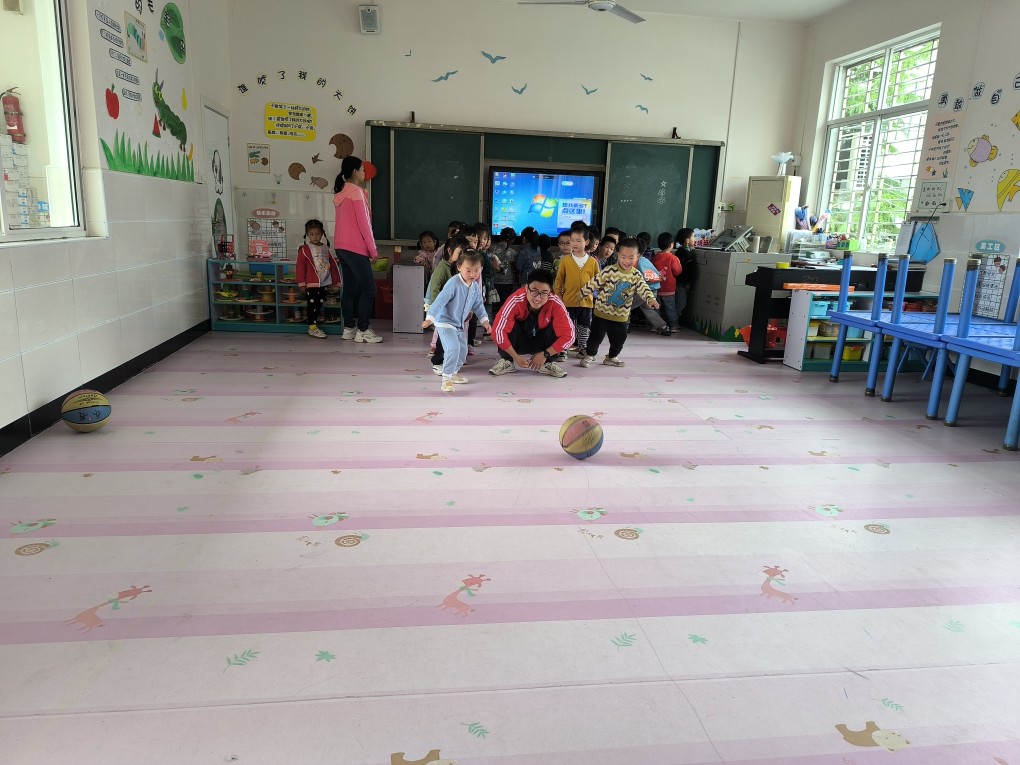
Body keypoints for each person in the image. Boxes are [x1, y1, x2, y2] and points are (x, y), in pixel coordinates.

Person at [578, 237, 658, 368]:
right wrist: (582, 293)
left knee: (620, 338)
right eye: (623, 257)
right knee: (595, 337)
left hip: (621, 316)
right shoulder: (609, 270)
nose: (627, 261)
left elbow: (644, 288)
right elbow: (594, 282)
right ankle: (590, 355)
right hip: (601, 313)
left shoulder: (636, 275)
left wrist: (651, 299)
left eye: (631, 257)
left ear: (638, 256)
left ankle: (611, 357)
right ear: (618, 255)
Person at [423, 250, 491, 393]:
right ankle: (446, 379)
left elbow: (478, 305)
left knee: (463, 351)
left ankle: (453, 373)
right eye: (468, 270)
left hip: (459, 324)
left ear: (481, 269)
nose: (472, 274)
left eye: (476, 270)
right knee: (453, 348)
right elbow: (440, 300)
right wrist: (430, 317)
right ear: (459, 267)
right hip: (445, 322)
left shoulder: (474, 286)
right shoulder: (453, 283)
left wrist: (485, 321)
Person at [489, 268, 574, 378]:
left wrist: (545, 354)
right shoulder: (515, 300)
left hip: (542, 345)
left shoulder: (555, 303)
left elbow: (570, 336)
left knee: (559, 327)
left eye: (544, 293)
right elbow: (497, 332)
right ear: (526, 288)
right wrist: (516, 357)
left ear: (550, 292)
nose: (538, 298)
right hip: (518, 343)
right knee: (504, 326)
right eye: (534, 291)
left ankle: (547, 362)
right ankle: (507, 360)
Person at [333, 156, 382, 343]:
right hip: (355, 248)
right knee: (369, 289)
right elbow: (365, 225)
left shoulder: (341, 193)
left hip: (341, 247)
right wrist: (373, 250)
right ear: (354, 172)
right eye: (362, 170)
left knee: (350, 289)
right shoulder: (357, 193)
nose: (364, 173)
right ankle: (363, 330)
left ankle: (349, 328)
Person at [425, 236, 469, 373]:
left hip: (453, 311)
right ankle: (438, 362)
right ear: (450, 251)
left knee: (453, 337)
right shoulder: (442, 268)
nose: (463, 256)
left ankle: (448, 362)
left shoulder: (456, 267)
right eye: (460, 252)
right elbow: (435, 290)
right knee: (443, 338)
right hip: (443, 311)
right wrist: (437, 309)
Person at [554, 225, 599, 355]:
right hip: (568, 301)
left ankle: (583, 348)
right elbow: (559, 281)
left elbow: (598, 281)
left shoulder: (592, 262)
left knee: (584, 326)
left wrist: (597, 295)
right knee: (568, 326)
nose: (574, 243)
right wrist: (559, 297)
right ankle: (563, 349)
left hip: (586, 302)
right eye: (572, 240)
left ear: (587, 242)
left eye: (578, 240)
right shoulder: (565, 260)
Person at [295, 219, 341, 339]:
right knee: (312, 305)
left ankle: (314, 325)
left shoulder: (325, 248)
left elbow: (332, 265)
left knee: (319, 304)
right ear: (307, 234)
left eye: (318, 234)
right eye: (311, 234)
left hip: (324, 282)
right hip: (311, 283)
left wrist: (336, 282)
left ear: (322, 234)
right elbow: (300, 267)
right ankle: (312, 328)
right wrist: (301, 283)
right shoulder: (304, 249)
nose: (315, 237)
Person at [651, 231, 684, 332]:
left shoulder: (655, 257)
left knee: (656, 308)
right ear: (671, 245)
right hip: (669, 289)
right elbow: (678, 271)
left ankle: (656, 325)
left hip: (656, 288)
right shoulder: (673, 258)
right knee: (671, 309)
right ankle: (673, 326)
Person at [634, 246, 670, 336]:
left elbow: (645, 278)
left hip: (646, 291)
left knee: (625, 305)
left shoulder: (639, 262)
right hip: (653, 289)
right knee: (648, 309)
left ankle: (623, 325)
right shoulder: (645, 260)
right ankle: (662, 326)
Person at [674, 227, 699, 323]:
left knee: (679, 302)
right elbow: (687, 271)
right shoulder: (687, 254)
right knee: (680, 303)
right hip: (682, 283)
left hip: (679, 282)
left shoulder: (680, 251)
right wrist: (688, 283)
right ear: (687, 240)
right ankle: (673, 322)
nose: (695, 239)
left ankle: (674, 320)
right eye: (693, 236)